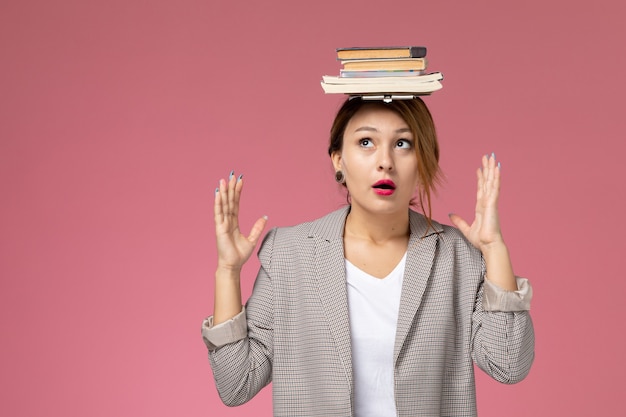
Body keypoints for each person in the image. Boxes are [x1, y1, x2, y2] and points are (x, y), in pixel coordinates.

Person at [202, 96, 534, 417]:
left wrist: (494, 249)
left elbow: (508, 365)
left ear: (423, 161)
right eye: (365, 142)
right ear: (338, 159)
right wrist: (227, 272)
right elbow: (236, 383)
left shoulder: (458, 255)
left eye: (403, 143)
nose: (385, 160)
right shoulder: (289, 252)